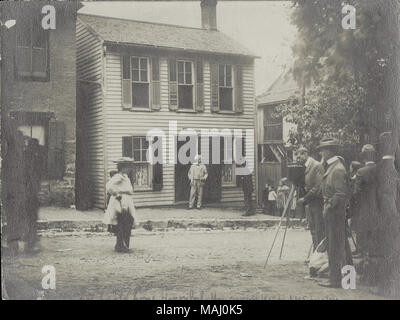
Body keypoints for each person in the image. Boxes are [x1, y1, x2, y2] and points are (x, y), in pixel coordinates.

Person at [317, 137, 352, 288]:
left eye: (323, 150)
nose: (321, 153)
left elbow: (340, 194)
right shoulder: (333, 166)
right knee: (341, 246)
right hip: (335, 213)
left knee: (335, 247)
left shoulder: (337, 169)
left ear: (330, 151)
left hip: (335, 213)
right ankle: (348, 280)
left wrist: (328, 206)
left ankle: (336, 280)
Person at [351, 145, 379, 264]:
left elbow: (356, 193)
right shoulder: (380, 169)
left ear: (363, 158)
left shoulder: (361, 171)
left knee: (362, 230)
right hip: (377, 207)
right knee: (374, 232)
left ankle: (362, 254)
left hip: (363, 207)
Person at [104, 157, 136, 253]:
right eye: (128, 167)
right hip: (120, 203)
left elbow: (130, 190)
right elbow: (109, 186)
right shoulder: (118, 177)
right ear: (123, 167)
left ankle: (122, 245)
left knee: (127, 222)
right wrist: (117, 194)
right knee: (123, 223)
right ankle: (121, 246)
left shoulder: (125, 177)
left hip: (127, 202)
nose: (130, 169)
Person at [297, 147, 325, 252]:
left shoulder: (316, 165)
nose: (298, 158)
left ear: (305, 154)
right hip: (310, 203)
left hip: (318, 203)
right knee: (313, 230)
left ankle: (319, 256)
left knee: (319, 230)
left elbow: (318, 187)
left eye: (299, 156)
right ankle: (315, 253)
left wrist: (305, 198)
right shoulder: (304, 166)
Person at [23, 138, 43, 253]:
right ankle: (30, 242)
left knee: (30, 216)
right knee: (30, 216)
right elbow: (31, 176)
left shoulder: (28, 157)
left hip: (29, 191)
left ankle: (30, 239)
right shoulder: (30, 158)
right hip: (29, 192)